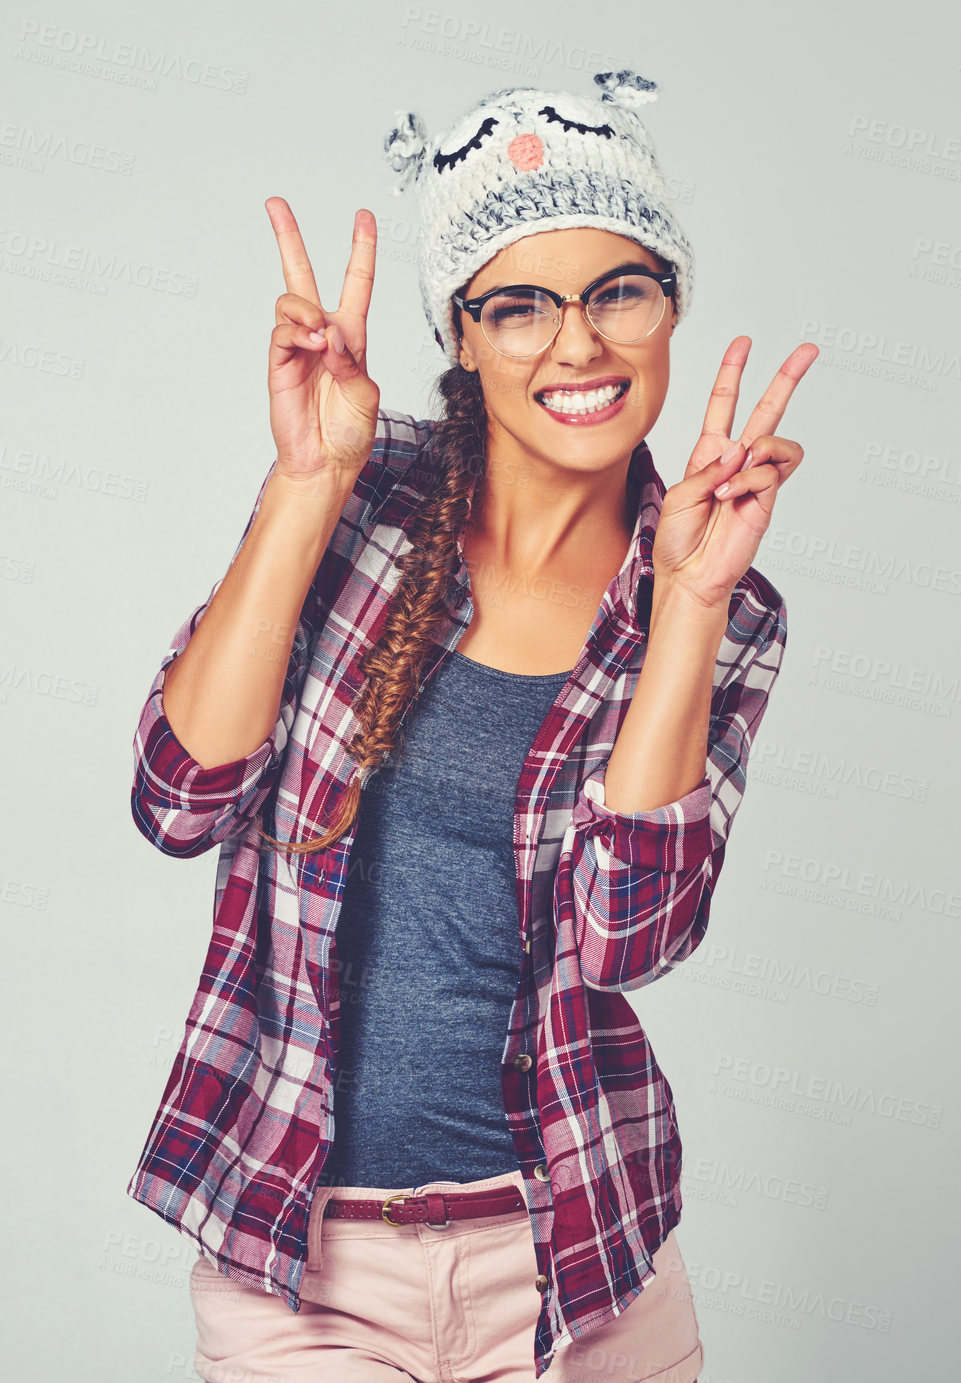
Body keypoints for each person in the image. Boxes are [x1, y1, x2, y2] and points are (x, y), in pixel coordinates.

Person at [125, 69, 815, 1382]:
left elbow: (631, 935)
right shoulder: (363, 497)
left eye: (620, 288)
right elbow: (178, 797)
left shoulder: (727, 601)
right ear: (463, 335)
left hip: (578, 1263)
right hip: (301, 1262)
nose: (578, 346)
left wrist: (686, 607)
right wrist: (303, 486)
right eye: (520, 305)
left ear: (671, 306)